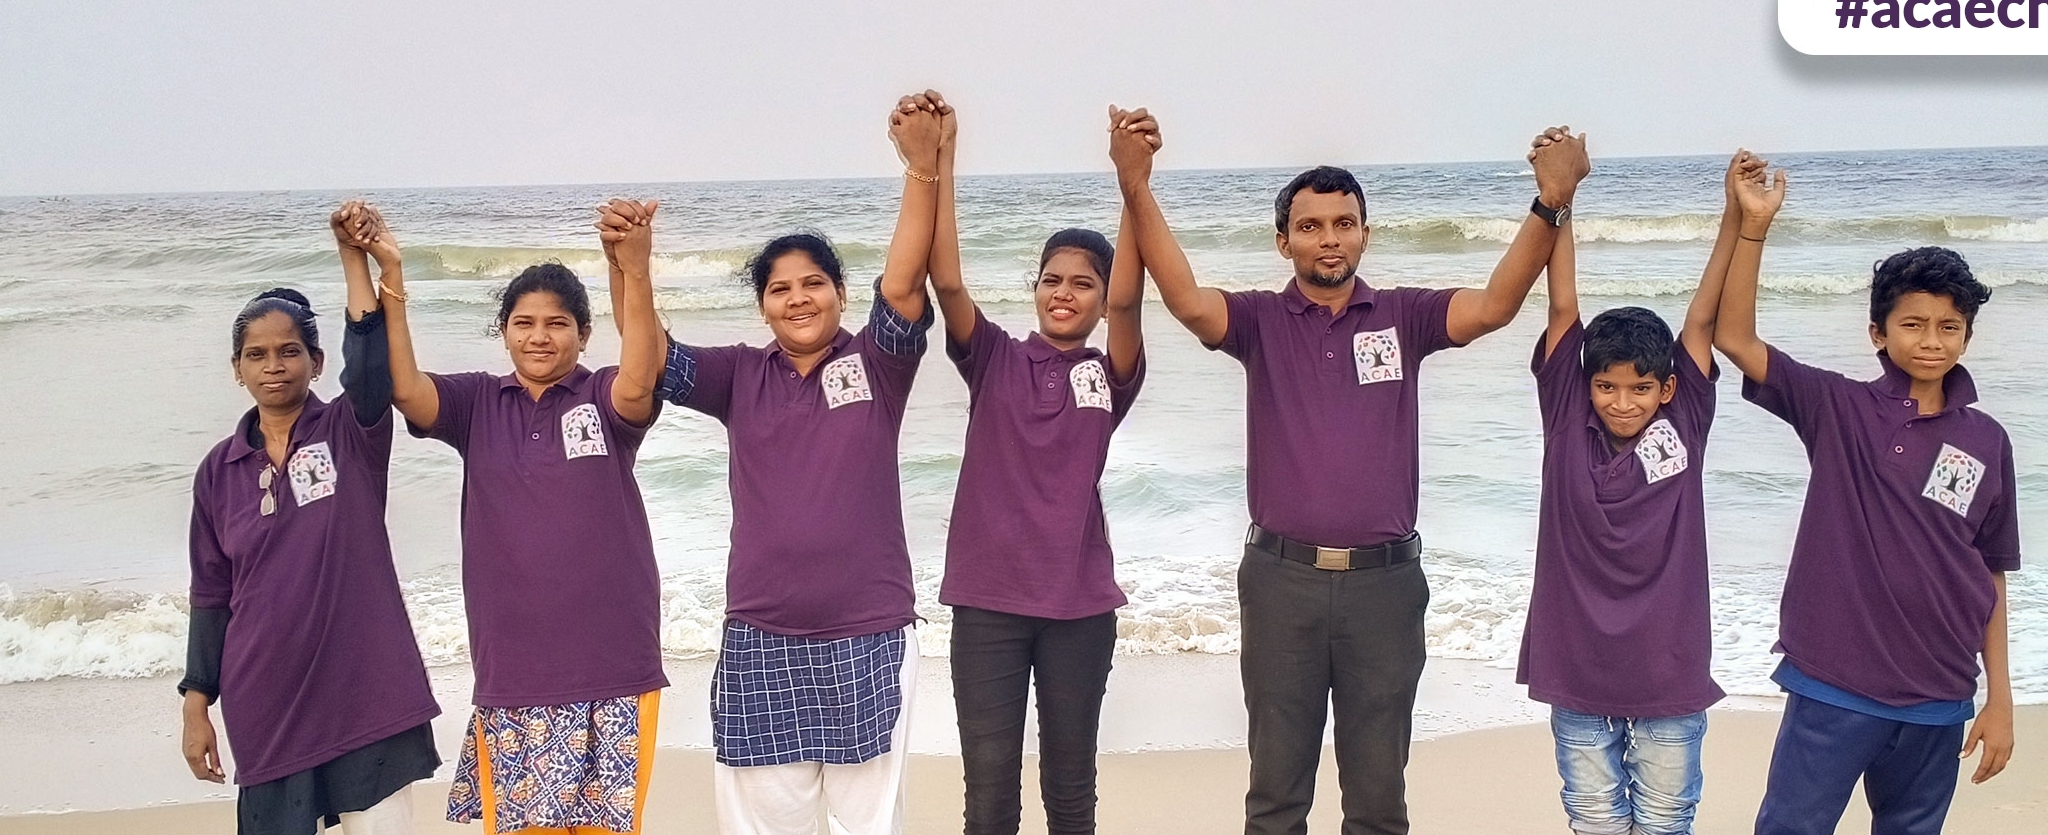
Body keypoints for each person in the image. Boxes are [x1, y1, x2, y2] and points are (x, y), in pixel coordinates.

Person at [1125, 116, 1588, 835]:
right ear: (1284, 242)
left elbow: (1495, 306)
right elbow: (1185, 299)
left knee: (1377, 800)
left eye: (1344, 224)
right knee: (1275, 797)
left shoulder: (1404, 316)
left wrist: (1551, 203)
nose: (1329, 238)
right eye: (1310, 226)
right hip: (1281, 585)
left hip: (1385, 588)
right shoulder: (1258, 322)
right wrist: (1136, 184)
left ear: (1366, 234)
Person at [647, 93, 944, 835]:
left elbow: (904, 285)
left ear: (841, 293)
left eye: (813, 283)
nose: (797, 298)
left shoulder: (877, 363)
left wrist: (920, 167)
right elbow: (652, 362)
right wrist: (631, 266)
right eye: (779, 289)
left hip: (870, 631)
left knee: (868, 826)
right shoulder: (739, 375)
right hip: (760, 632)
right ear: (763, 308)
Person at [1710, 160, 2021, 835]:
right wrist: (1752, 227)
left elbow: (1991, 572)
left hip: (1941, 695)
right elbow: (1732, 338)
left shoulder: (1987, 440)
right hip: (1835, 685)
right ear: (1878, 333)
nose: (1931, 340)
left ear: (1967, 335)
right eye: (1913, 324)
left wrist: (1999, 698)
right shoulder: (1837, 408)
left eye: (1949, 326)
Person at [355, 196, 672, 834]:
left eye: (557, 324)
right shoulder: (477, 402)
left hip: (615, 659)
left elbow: (642, 374)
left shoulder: (604, 397)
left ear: (584, 334)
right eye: (523, 323)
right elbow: (406, 388)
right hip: (514, 667)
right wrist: (390, 273)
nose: (538, 336)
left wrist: (634, 269)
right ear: (504, 331)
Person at [1517, 145, 1761, 835]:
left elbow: (1703, 321)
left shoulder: (1685, 422)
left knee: (1664, 820)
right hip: (1577, 664)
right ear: (1585, 384)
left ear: (1668, 389)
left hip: (1668, 668)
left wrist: (1736, 215)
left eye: (1640, 388)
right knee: (1594, 818)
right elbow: (1562, 302)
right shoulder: (1566, 415)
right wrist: (1561, 194)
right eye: (1606, 386)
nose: (1622, 402)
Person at [928, 102, 1155, 835]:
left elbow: (1132, 299)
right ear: (1034, 288)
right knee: (990, 796)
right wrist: (941, 159)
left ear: (1102, 301)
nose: (1064, 292)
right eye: (1051, 279)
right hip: (986, 603)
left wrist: (1131, 180)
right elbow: (947, 284)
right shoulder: (995, 357)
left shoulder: (1110, 373)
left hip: (1079, 608)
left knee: (1071, 791)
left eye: (1083, 284)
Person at [177, 201, 440, 835]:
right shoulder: (218, 471)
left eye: (290, 351)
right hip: (267, 701)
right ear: (237, 370)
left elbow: (370, 365)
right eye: (257, 355)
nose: (274, 364)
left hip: (365, 688)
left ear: (316, 363)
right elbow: (211, 595)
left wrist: (355, 258)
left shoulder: (351, 432)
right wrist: (195, 704)